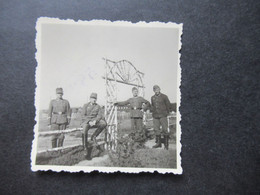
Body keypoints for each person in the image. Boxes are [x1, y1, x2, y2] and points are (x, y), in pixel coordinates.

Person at [151, 85, 171, 149]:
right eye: (155, 89)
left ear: (160, 89)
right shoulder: (152, 97)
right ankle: (158, 144)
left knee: (165, 129)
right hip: (155, 116)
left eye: (157, 89)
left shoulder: (164, 96)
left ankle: (166, 144)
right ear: (153, 91)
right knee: (156, 129)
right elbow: (152, 106)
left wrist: (168, 112)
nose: (156, 90)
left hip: (163, 115)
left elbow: (168, 105)